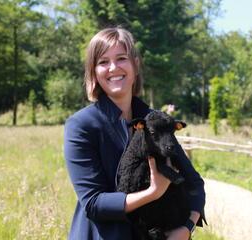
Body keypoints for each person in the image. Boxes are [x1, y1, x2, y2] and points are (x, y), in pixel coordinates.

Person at [64, 27, 206, 240]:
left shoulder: (156, 121)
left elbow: (194, 184)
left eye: (121, 58)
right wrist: (153, 193)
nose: (113, 67)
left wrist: (187, 227)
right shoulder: (81, 125)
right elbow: (93, 203)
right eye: (103, 62)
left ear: (135, 65)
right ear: (93, 71)